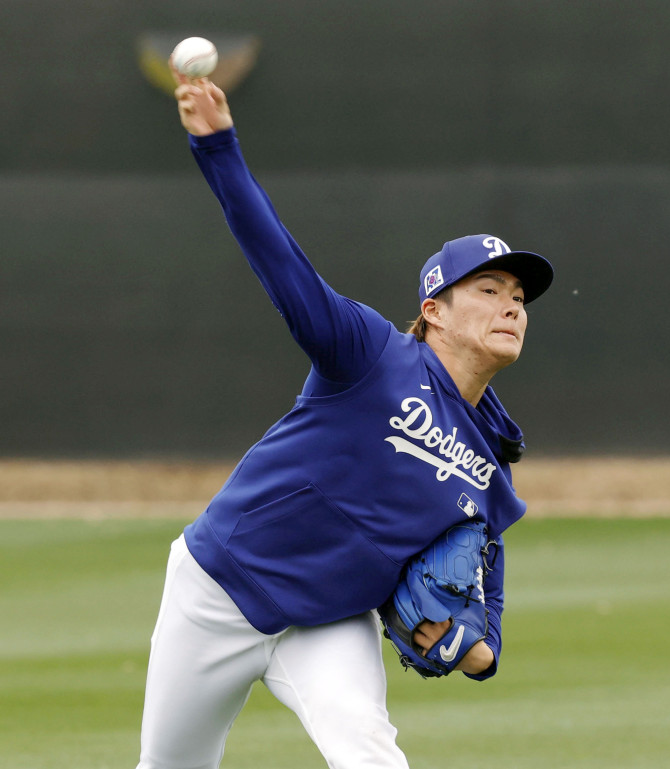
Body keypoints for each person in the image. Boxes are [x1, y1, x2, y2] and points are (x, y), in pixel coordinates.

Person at [134, 69, 554, 769]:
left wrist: (481, 652)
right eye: (488, 289)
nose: (513, 305)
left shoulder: (491, 454)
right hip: (219, 588)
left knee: (372, 758)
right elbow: (282, 263)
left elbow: (487, 568)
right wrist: (218, 146)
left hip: (327, 622)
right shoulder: (368, 353)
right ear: (433, 311)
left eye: (518, 296)